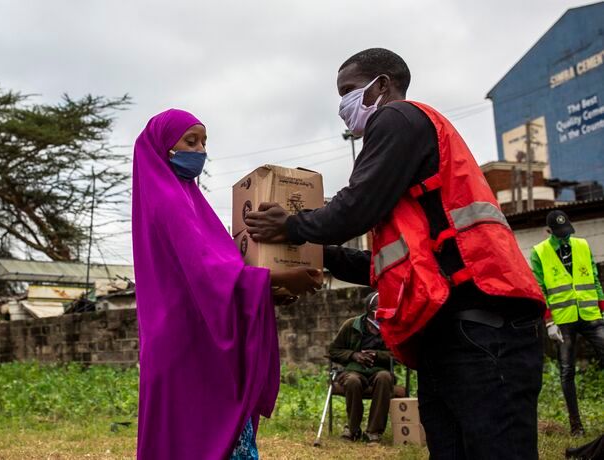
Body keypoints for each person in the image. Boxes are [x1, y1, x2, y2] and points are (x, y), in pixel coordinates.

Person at [245, 48, 546, 459]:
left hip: (482, 323)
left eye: (348, 91)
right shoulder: (409, 182)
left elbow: (356, 205)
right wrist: (320, 253)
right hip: (451, 332)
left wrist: (293, 226)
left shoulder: (398, 118)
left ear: (382, 85)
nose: (342, 107)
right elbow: (383, 269)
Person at [131, 109, 321, 459]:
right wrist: (276, 279)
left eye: (204, 142)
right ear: (162, 147)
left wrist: (268, 293)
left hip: (189, 337)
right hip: (188, 344)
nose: (200, 150)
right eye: (191, 141)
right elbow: (207, 274)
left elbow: (211, 274)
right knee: (202, 440)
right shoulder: (170, 202)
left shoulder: (188, 200)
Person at [530, 210, 604, 436]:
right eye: (559, 233)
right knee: (567, 371)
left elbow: (594, 278)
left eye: (567, 232)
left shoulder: (582, 245)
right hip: (563, 321)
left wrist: (602, 310)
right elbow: (540, 289)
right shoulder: (539, 253)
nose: (564, 237)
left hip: (591, 315)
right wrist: (549, 322)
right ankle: (576, 426)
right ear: (549, 231)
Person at [328, 292, 393, 443]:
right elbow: (334, 350)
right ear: (370, 309)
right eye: (378, 308)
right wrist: (354, 355)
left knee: (384, 377)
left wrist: (377, 355)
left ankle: (373, 432)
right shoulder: (351, 325)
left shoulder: (390, 327)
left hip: (379, 371)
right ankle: (353, 429)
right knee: (352, 381)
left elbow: (397, 354)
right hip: (354, 370)